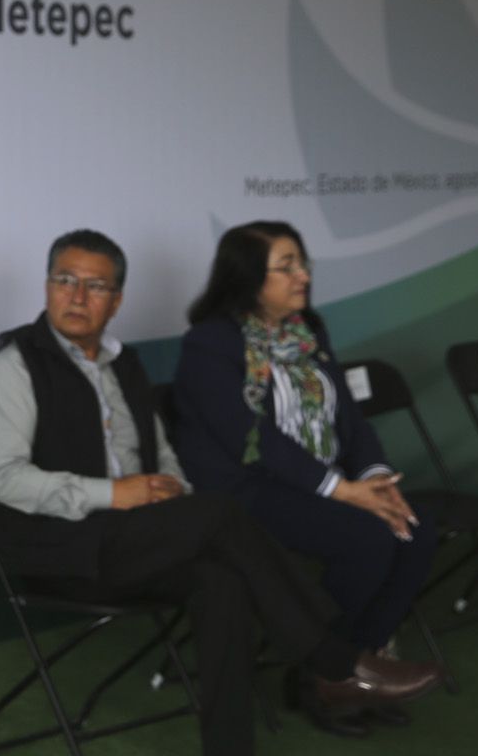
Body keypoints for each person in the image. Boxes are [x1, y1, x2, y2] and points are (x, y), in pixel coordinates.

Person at [0, 229, 440, 756]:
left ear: (116, 300)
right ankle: (334, 663)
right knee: (220, 513)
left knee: (222, 582)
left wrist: (175, 487)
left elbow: (162, 451)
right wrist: (113, 493)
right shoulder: (12, 364)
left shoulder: (123, 363)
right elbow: (6, 481)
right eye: (65, 280)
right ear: (47, 285)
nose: (77, 296)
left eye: (95, 286)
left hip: (133, 537)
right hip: (62, 546)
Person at [174, 220, 438, 736]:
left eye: (302, 262)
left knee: (414, 528)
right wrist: (344, 491)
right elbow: (249, 437)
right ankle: (327, 673)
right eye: (286, 266)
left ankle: (351, 668)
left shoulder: (306, 332)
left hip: (318, 481)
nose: (303, 275)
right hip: (244, 491)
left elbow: (348, 419)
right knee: (364, 538)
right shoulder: (210, 343)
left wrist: (376, 479)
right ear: (248, 278)